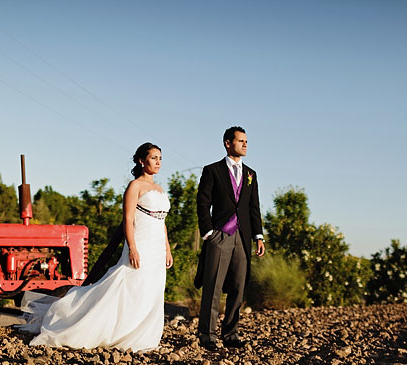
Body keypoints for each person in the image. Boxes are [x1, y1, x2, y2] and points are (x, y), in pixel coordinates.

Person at [19, 143, 173, 352]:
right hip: (141, 242)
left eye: (160, 158)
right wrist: (133, 249)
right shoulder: (135, 186)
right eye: (154, 158)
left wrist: (167, 248)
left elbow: (161, 222)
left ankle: (142, 334)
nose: (158, 162)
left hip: (157, 246)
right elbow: (128, 220)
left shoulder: (160, 189)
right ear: (141, 160)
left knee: (152, 288)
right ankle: (95, 325)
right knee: (131, 284)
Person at [194, 126, 265, 352]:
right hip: (220, 236)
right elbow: (203, 203)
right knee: (213, 286)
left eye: (246, 141)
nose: (245, 145)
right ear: (227, 143)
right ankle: (207, 334)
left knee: (238, 286)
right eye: (240, 141)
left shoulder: (251, 174)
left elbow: (254, 207)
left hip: (243, 238)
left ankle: (231, 333)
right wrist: (208, 233)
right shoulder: (212, 170)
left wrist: (258, 236)